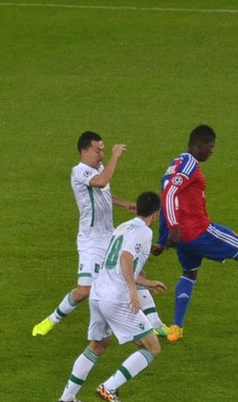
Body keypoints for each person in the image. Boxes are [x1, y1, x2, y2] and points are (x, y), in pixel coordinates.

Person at [151, 124, 238, 343]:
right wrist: (174, 228)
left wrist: (163, 238)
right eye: (210, 146)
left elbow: (166, 195)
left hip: (183, 240)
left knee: (189, 273)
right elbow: (170, 193)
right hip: (199, 232)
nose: (212, 151)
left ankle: (176, 329)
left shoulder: (175, 164)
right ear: (199, 144)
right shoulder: (189, 163)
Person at [32, 131, 167, 337]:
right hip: (91, 240)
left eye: (104, 150)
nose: (101, 155)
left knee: (137, 273)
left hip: (109, 235)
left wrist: (126, 204)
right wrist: (115, 155)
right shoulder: (80, 171)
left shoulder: (98, 168)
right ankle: (50, 321)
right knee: (83, 291)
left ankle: (156, 324)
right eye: (98, 151)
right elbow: (102, 182)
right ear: (84, 151)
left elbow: (104, 191)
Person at [57, 191, 167, 402]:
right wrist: (133, 290)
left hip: (98, 294)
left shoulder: (123, 227)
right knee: (152, 347)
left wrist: (147, 282)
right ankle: (109, 387)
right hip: (116, 298)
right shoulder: (144, 232)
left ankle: (67, 397)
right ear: (155, 214)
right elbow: (126, 258)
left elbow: (117, 264)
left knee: (98, 345)